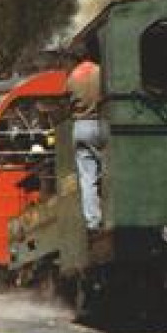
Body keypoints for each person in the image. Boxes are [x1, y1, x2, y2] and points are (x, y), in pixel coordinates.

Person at [67, 59, 106, 230]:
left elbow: (65, 102)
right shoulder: (101, 72)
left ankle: (93, 221)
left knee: (87, 178)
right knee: (107, 170)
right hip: (98, 123)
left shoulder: (72, 77)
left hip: (79, 127)